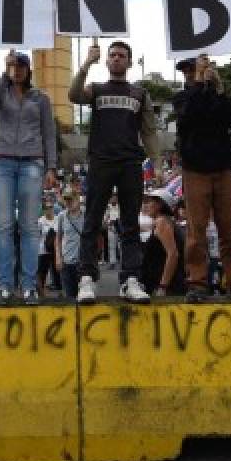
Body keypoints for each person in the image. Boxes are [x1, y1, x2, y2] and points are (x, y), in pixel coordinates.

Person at [68, 41, 160, 305]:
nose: (117, 58)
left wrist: (156, 163)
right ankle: (86, 278)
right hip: (100, 162)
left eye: (122, 55)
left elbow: (149, 131)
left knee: (130, 224)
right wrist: (86, 63)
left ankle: (130, 279)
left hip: (131, 163)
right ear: (107, 61)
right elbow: (73, 95)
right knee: (92, 221)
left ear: (129, 62)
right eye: (113, 55)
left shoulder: (140, 93)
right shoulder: (95, 89)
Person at [172, 55, 231, 302]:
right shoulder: (182, 97)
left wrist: (219, 88)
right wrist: (198, 85)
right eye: (187, 71)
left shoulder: (215, 96)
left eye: (194, 69)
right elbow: (187, 117)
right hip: (195, 168)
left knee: (228, 229)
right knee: (197, 231)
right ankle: (197, 283)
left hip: (223, 166)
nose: (191, 74)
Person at [0, 50, 58, 305]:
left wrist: (51, 167)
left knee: (29, 226)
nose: (16, 70)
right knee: (4, 225)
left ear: (29, 70)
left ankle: (29, 285)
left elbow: (49, 134)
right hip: (2, 161)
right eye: (12, 67)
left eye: (20, 66)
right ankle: (4, 285)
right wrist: (3, 74)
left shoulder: (41, 98)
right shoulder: (2, 92)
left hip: (32, 162)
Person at [140, 189, 184, 297]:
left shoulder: (162, 222)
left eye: (148, 202)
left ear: (159, 204)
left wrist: (163, 286)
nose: (145, 205)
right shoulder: (164, 221)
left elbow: (173, 254)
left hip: (165, 288)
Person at [54, 189, 83, 299]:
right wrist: (58, 257)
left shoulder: (86, 215)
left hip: (83, 263)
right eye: (66, 200)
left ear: (77, 199)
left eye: (70, 199)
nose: (68, 202)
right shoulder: (62, 216)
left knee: (84, 299)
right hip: (66, 263)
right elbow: (58, 238)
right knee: (69, 298)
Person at [36, 202, 58, 298]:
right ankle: (41, 293)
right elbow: (37, 235)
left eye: (50, 207)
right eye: (46, 208)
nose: (48, 210)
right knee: (42, 272)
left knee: (57, 271)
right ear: (43, 210)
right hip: (43, 250)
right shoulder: (40, 221)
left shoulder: (58, 219)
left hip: (56, 249)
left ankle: (59, 290)